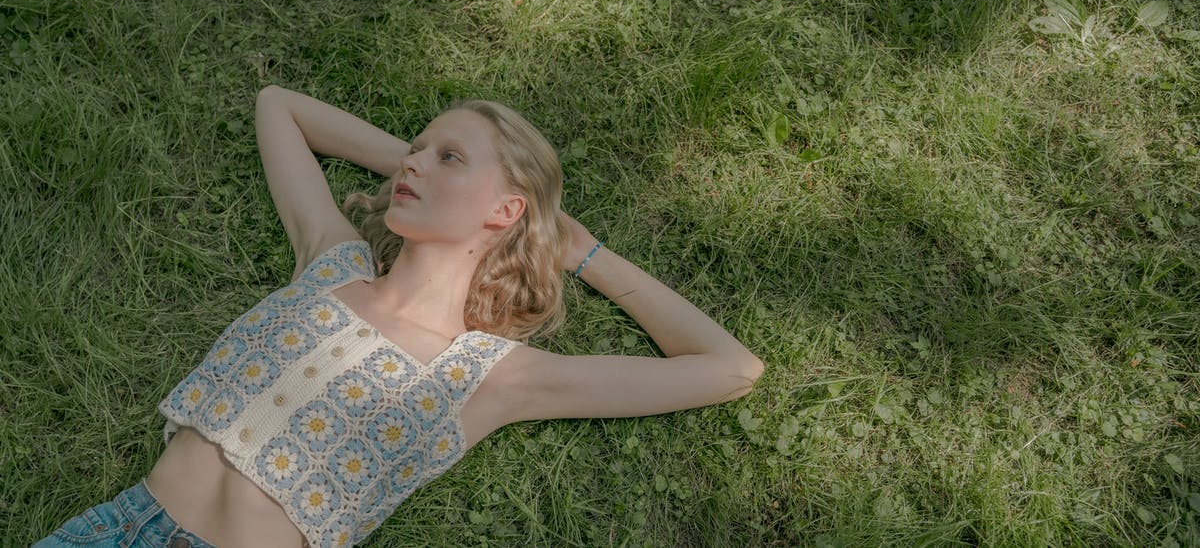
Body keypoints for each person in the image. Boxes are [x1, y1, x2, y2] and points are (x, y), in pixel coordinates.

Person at [35, 86, 765, 547]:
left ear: (506, 209)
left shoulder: (489, 376)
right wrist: (425, 172)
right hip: (113, 528)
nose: (414, 162)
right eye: (416, 148)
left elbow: (731, 367)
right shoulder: (332, 263)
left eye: (448, 156)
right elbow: (279, 106)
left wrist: (577, 248)